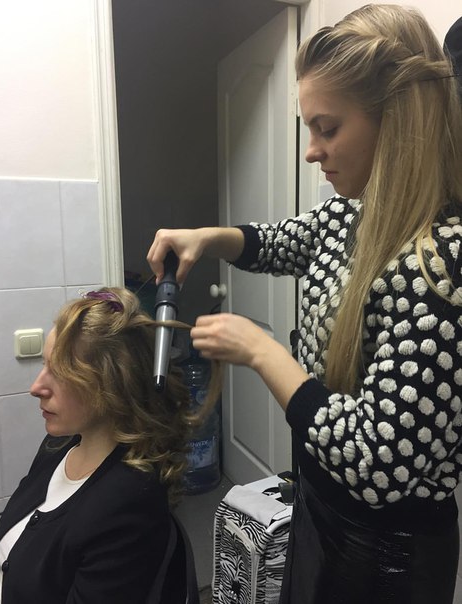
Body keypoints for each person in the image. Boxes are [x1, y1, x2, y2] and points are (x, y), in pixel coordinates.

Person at [148, 4, 462, 603]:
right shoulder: (352, 211)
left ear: (397, 121)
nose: (312, 152)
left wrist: (262, 352)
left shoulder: (441, 265)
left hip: (388, 557)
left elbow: (376, 462)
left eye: (328, 128)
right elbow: (281, 242)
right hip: (322, 511)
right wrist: (208, 237)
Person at [0, 287, 219, 604]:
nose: (36, 387)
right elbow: (1, 566)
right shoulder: (58, 445)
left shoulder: (127, 504)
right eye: (44, 364)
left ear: (112, 386)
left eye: (60, 373)